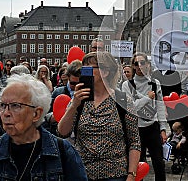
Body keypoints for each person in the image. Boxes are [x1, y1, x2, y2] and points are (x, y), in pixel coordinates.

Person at [0, 74, 88, 180]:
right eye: (2, 106)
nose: (5, 113)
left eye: (15, 106)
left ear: (36, 114)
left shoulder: (62, 151)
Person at [58, 52, 141, 180]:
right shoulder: (80, 99)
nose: (84, 73)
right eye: (83, 69)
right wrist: (74, 105)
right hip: (82, 173)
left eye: (88, 68)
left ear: (105, 72)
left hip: (115, 173)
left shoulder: (123, 100)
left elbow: (134, 142)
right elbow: (63, 132)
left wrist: (131, 175)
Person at [122, 52, 167, 181]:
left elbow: (160, 106)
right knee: (137, 164)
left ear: (147, 65)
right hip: (136, 129)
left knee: (159, 163)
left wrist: (163, 128)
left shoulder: (155, 83)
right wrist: (147, 98)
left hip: (152, 127)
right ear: (133, 66)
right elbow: (132, 108)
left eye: (143, 63)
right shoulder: (127, 85)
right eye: (137, 63)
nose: (140, 66)